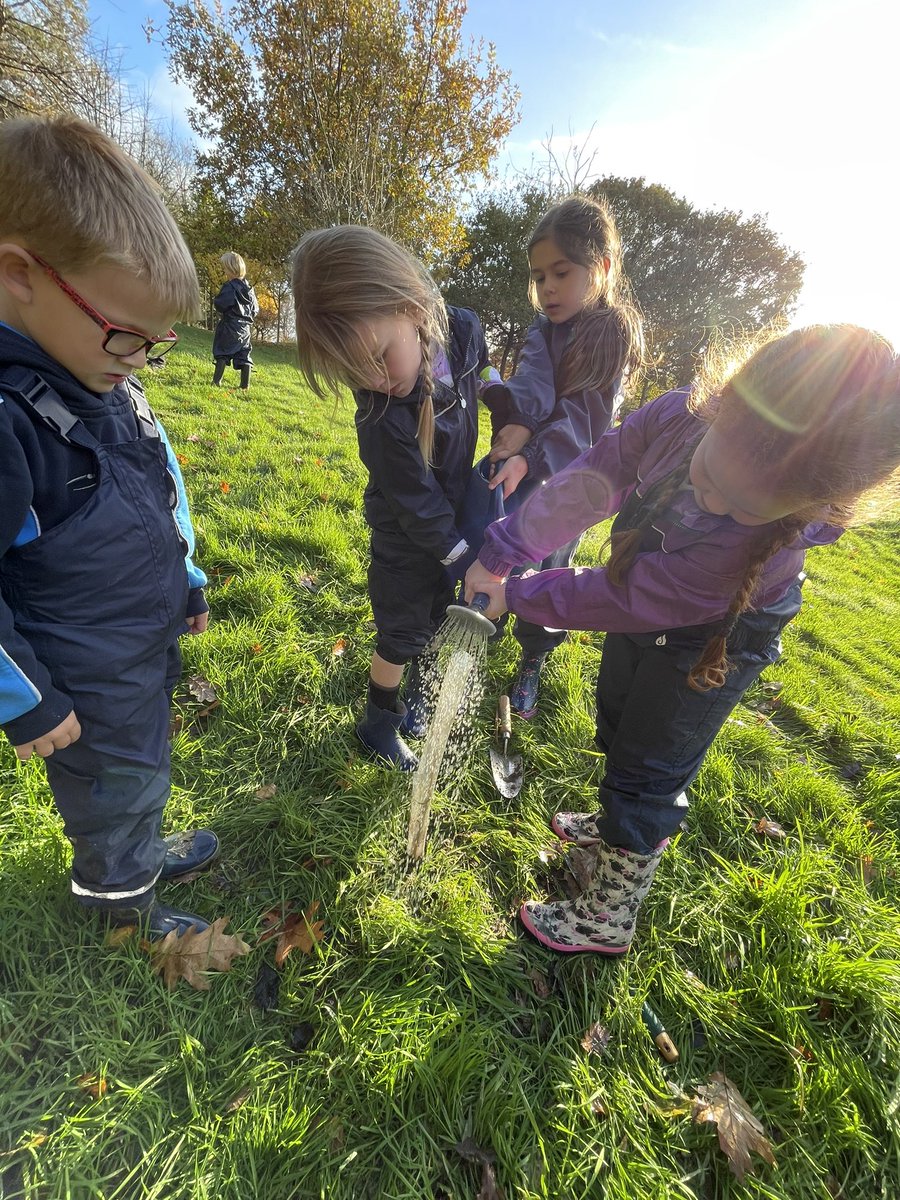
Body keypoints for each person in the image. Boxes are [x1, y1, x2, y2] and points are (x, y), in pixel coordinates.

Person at [465, 324, 899, 955]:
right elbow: (594, 477)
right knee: (618, 714)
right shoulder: (679, 416)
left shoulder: (756, 555)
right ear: (722, 404)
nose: (712, 500)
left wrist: (523, 593)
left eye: (742, 507)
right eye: (710, 474)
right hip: (653, 602)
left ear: (812, 506)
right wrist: (508, 548)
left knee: (651, 763)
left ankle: (610, 910)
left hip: (719, 635)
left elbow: (628, 597)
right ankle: (613, 826)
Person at [0, 115, 220, 940]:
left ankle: (140, 851)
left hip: (139, 641)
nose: (138, 360)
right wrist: (24, 700)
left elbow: (162, 487)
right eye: (125, 335)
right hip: (79, 673)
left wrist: (187, 578)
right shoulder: (9, 420)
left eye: (154, 344)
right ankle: (120, 909)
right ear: (20, 273)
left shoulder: (106, 378)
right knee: (113, 787)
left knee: (143, 766)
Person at [292, 224, 499, 771]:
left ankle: (417, 701)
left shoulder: (461, 330)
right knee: (402, 630)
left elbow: (485, 370)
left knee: (435, 615)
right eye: (353, 371)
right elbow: (415, 503)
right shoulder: (380, 416)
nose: (375, 380)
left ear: (411, 308)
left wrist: (507, 408)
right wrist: (461, 557)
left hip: (453, 515)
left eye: (380, 356)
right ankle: (378, 722)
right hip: (408, 533)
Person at [480, 194, 644, 718]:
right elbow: (533, 383)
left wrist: (530, 454)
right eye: (538, 276)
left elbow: (583, 421)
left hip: (571, 480)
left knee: (547, 566)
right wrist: (512, 416)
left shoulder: (611, 334)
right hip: (523, 464)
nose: (547, 287)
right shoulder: (542, 329)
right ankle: (477, 629)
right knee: (494, 543)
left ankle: (533, 655)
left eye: (561, 272)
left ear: (602, 268)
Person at [212, 252, 259, 390]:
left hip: (229, 325)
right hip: (245, 328)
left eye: (225, 268)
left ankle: (216, 381)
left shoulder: (230, 286)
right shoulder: (250, 289)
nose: (224, 271)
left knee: (222, 352)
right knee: (244, 354)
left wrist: (217, 302)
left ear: (231, 269)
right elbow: (255, 309)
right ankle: (244, 385)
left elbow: (221, 304)